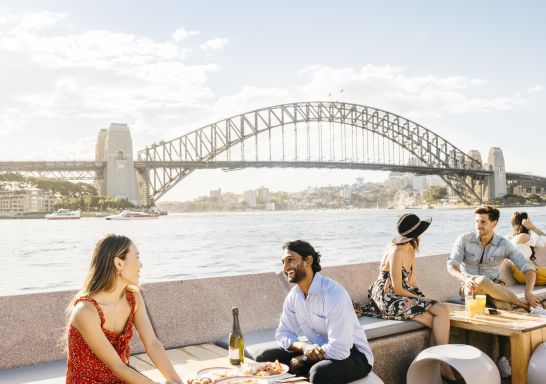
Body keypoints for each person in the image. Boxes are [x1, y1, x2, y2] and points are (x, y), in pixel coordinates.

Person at [65, 234, 182, 384]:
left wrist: (177, 381)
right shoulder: (85, 311)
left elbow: (152, 343)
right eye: (137, 257)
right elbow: (117, 366)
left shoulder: (133, 298)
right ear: (119, 263)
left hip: (121, 378)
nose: (141, 265)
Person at [447, 205, 546, 378]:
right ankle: (523, 305)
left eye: (483, 222)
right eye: (477, 221)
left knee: (502, 306)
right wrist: (465, 279)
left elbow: (528, 269)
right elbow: (451, 266)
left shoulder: (503, 244)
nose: (479, 225)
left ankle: (503, 358)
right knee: (481, 282)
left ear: (494, 223)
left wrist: (529, 292)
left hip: (494, 289)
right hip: (469, 288)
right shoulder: (464, 239)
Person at [256, 240, 374, 384]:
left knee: (319, 373)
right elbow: (283, 333)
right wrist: (303, 347)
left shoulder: (333, 294)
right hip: (315, 350)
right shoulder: (294, 296)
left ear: (308, 260)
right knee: (263, 358)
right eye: (283, 262)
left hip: (353, 355)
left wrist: (304, 358)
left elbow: (340, 350)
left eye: (290, 260)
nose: (285, 268)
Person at [363, 213, 456, 382]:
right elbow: (397, 288)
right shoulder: (396, 251)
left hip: (402, 292)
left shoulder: (411, 248)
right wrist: (425, 301)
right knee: (435, 319)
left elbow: (411, 282)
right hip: (387, 297)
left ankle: (436, 365)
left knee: (440, 311)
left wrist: (423, 299)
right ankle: (442, 365)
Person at [509, 212, 546, 285]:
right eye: (529, 220)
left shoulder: (513, 238)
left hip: (519, 274)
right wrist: (533, 228)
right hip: (526, 273)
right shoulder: (525, 237)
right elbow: (544, 239)